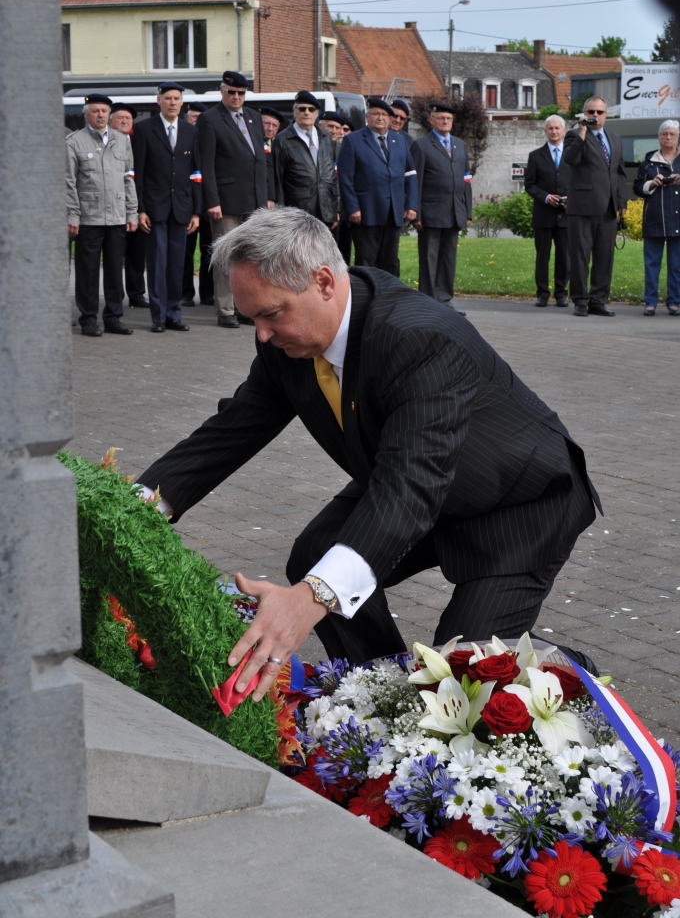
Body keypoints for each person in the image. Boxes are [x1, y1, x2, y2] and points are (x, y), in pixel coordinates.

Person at [137, 207, 601, 698]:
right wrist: (134, 507)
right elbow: (231, 432)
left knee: (462, 677)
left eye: (271, 314)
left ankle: (573, 670)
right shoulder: (288, 344)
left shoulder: (420, 337)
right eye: (253, 318)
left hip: (518, 504)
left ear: (322, 282)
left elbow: (410, 486)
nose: (262, 335)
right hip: (420, 480)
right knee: (320, 554)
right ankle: (379, 691)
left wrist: (308, 600)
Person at [198, 70, 275, 329]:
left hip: (254, 201)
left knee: (250, 259)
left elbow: (262, 159)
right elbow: (206, 165)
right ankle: (225, 309)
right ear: (222, 91)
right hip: (226, 201)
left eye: (241, 93)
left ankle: (244, 307)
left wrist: (267, 198)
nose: (236, 97)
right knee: (227, 257)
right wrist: (212, 201)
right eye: (231, 92)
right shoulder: (210, 119)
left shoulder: (254, 117)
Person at [66, 93, 138, 337]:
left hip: (117, 216)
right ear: (87, 114)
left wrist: (132, 212)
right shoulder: (74, 141)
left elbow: (128, 178)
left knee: (115, 269)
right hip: (89, 217)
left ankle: (113, 317)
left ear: (109, 114)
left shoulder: (122, 139)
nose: (100, 115)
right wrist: (73, 215)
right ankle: (88, 319)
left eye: (104, 111)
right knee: (87, 272)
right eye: (95, 111)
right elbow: (69, 182)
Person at [131, 82, 201, 333]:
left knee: (177, 264)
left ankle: (174, 314)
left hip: (182, 208)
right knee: (158, 264)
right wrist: (139, 209)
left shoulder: (190, 131)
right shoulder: (143, 130)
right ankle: (158, 317)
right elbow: (137, 172)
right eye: (168, 98)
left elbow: (196, 173)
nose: (173, 102)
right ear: (158, 101)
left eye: (177, 98)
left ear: (182, 103)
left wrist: (196, 211)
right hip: (154, 209)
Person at [337, 97, 418, 276]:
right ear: (367, 117)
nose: (380, 118)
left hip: (394, 211)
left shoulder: (400, 141)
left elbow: (410, 174)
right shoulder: (353, 140)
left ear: (389, 119)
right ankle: (366, 300)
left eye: (384, 114)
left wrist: (411, 204)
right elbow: (345, 177)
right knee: (366, 261)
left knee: (390, 261)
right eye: (376, 114)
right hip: (366, 212)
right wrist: (352, 207)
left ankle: (389, 299)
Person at [563, 97, 627, 317]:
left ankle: (598, 300)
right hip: (582, 207)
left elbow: (619, 172)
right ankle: (580, 300)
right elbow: (570, 160)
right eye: (591, 111)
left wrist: (622, 201)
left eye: (600, 112)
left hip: (608, 207)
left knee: (604, 257)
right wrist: (581, 131)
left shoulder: (615, 139)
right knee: (580, 257)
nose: (595, 115)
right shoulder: (574, 135)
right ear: (584, 114)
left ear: (606, 115)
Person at [411, 103, 472, 313]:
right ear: (431, 121)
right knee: (429, 258)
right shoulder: (421, 145)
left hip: (455, 211)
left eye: (448, 118)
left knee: (448, 259)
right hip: (430, 212)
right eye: (441, 118)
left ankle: (445, 301)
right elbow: (416, 181)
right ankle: (429, 301)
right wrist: (416, 212)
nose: (445, 121)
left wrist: (468, 211)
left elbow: (466, 180)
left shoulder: (460, 145)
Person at [633, 118, 680, 316]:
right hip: (654, 219)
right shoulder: (649, 161)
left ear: (677, 138)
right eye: (664, 134)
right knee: (651, 264)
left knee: (677, 265)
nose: (668, 138)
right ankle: (650, 302)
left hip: (678, 221)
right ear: (659, 138)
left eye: (672, 134)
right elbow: (637, 188)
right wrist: (652, 183)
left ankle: (674, 302)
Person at [272, 91, 339, 229]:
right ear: (294, 112)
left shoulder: (325, 136)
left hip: (326, 210)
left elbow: (333, 173)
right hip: (298, 211)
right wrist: (279, 214)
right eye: (302, 109)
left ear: (316, 113)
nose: (306, 113)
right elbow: (277, 179)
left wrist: (335, 208)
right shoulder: (282, 140)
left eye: (311, 109)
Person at [524, 115, 571, 308]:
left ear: (563, 131)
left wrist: (572, 198)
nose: (554, 132)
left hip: (567, 214)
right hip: (544, 214)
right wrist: (545, 197)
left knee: (564, 257)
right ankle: (542, 294)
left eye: (557, 128)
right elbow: (530, 184)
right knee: (542, 256)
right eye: (550, 128)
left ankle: (561, 294)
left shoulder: (572, 154)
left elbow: (580, 181)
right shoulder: (535, 156)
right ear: (545, 132)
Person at [109, 103, 149, 310]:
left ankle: (137, 294)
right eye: (120, 118)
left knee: (136, 255)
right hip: (112, 208)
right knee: (115, 257)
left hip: (136, 206)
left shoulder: (138, 141)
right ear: (110, 121)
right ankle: (115, 297)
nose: (125, 121)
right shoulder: (105, 142)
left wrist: (140, 208)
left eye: (128, 118)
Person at [181, 101, 214, 307]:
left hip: (209, 204)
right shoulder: (182, 138)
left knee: (209, 250)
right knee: (186, 251)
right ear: (187, 118)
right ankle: (185, 293)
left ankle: (208, 293)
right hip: (187, 203)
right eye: (194, 117)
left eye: (201, 118)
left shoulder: (210, 139)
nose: (197, 121)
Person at [319, 111, 352, 263]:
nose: (334, 131)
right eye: (330, 126)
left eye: (337, 128)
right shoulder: (316, 146)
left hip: (342, 209)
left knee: (341, 252)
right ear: (320, 126)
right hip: (321, 207)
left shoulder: (343, 149)